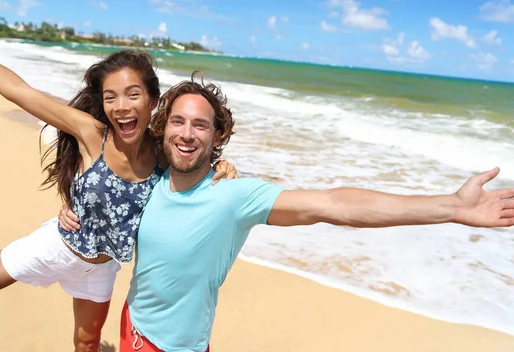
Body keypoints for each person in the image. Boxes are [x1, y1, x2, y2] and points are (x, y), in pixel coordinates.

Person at [57, 71, 514, 352]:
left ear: (218, 137)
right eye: (178, 121)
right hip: (137, 330)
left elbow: (333, 204)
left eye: (201, 124)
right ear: (163, 127)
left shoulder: (234, 195)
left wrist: (451, 207)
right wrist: (68, 211)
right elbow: (102, 185)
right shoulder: (151, 177)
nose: (187, 133)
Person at [0, 11, 236, 352]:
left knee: (86, 343)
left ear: (153, 101)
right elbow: (18, 91)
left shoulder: (164, 156)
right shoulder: (91, 133)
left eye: (132, 94)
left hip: (102, 269)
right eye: (110, 97)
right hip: (55, 248)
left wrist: (224, 167)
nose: (121, 106)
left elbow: (196, 164)